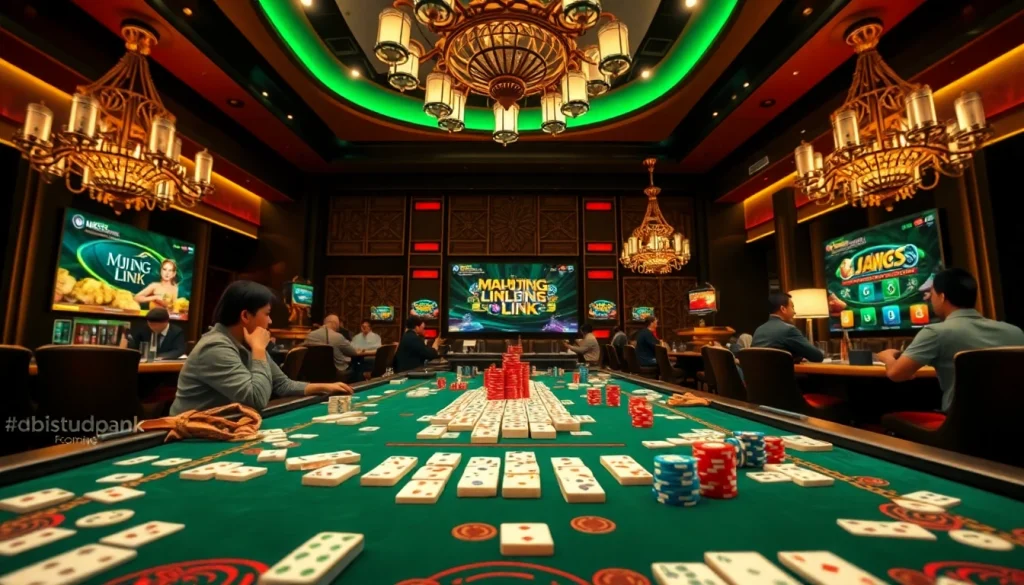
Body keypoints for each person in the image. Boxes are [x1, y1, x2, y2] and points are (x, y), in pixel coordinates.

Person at [172, 281, 351, 415]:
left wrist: (325, 387)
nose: (270, 321)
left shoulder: (247, 341)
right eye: (267, 314)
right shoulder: (215, 346)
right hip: (189, 436)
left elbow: (282, 384)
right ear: (245, 316)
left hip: (225, 426)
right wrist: (258, 349)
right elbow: (256, 399)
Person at [877, 268, 1024, 411]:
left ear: (942, 297)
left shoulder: (935, 333)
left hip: (961, 422)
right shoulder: (1016, 332)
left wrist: (887, 357)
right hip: (1014, 420)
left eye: (932, 293)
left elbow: (897, 374)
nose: (929, 298)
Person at [751, 292, 825, 363]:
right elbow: (817, 356)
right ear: (783, 309)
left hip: (758, 372)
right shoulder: (789, 330)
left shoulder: (759, 330)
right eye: (792, 307)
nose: (794, 312)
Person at [304, 314, 358, 379]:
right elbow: (353, 353)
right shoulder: (338, 336)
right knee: (358, 367)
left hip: (313, 373)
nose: (338, 327)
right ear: (334, 324)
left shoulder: (310, 335)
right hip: (336, 373)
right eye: (338, 324)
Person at [120, 308, 186, 359]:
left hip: (165, 364)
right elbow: (135, 347)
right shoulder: (144, 329)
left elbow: (179, 350)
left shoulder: (176, 331)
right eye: (150, 324)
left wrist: (157, 357)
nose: (152, 327)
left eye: (155, 325)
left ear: (166, 322)